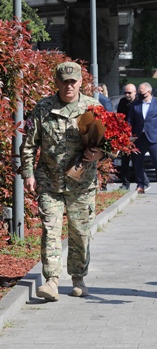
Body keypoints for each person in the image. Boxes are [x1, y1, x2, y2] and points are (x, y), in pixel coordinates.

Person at [20, 61, 104, 301]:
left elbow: (112, 145)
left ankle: (78, 278)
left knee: (80, 232)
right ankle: (52, 281)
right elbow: (29, 144)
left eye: (73, 81)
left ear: (80, 82)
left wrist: (101, 154)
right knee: (50, 230)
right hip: (49, 181)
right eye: (64, 81)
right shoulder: (43, 108)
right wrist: (28, 173)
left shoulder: (93, 107)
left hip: (82, 185)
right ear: (56, 82)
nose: (69, 86)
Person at [127, 82, 157, 195]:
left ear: (149, 92)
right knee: (138, 163)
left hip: (153, 138)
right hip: (138, 138)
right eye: (139, 92)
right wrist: (128, 136)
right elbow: (129, 122)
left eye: (142, 92)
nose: (140, 94)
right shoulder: (135, 105)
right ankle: (140, 185)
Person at [116, 83, 149, 190]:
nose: (127, 95)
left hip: (136, 135)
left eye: (129, 93)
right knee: (124, 160)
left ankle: (144, 181)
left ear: (135, 92)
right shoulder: (122, 102)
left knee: (137, 160)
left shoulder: (139, 102)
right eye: (125, 93)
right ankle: (125, 184)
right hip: (125, 135)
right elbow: (119, 118)